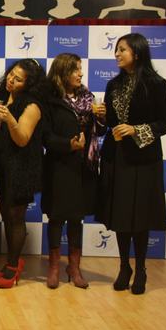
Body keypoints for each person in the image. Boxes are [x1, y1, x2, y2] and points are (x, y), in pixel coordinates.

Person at [96, 33, 166, 295]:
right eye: (116, 50)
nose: (117, 54)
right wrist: (103, 116)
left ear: (137, 53)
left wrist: (136, 130)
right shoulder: (113, 84)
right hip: (117, 157)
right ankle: (124, 267)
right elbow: (110, 124)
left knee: (139, 216)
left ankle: (140, 269)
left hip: (143, 159)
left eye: (122, 50)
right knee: (120, 214)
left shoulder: (157, 84)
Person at [42, 53, 105, 289]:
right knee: (56, 217)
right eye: (75, 69)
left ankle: (74, 267)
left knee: (77, 218)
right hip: (59, 166)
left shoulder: (88, 97)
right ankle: (54, 267)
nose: (81, 74)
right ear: (62, 72)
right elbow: (46, 137)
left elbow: (99, 133)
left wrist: (102, 119)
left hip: (83, 167)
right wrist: (68, 145)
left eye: (80, 69)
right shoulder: (49, 100)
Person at [0, 59, 46, 288]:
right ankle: (10, 262)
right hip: (4, 164)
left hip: (22, 166)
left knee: (16, 216)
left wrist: (9, 119)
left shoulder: (32, 105)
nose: (11, 80)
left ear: (29, 84)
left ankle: (13, 267)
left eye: (19, 79)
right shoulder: (2, 96)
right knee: (6, 212)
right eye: (11, 74)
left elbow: (22, 139)